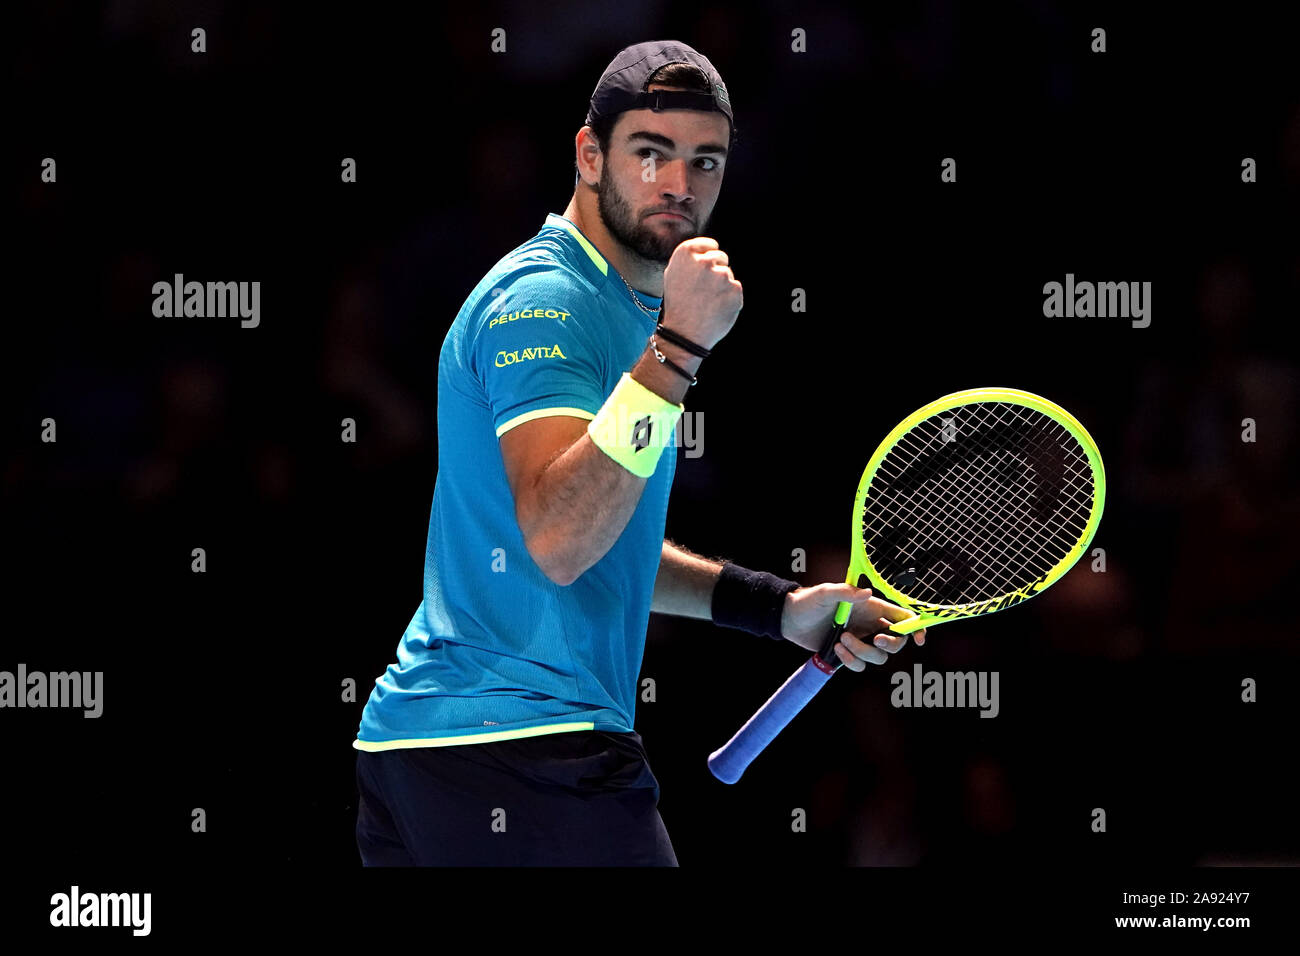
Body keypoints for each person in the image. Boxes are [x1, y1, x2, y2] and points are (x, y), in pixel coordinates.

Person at [353, 39, 925, 866]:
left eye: (706, 162)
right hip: (519, 751)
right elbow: (559, 539)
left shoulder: (619, 306)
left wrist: (776, 609)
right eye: (650, 153)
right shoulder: (546, 302)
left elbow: (600, 541)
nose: (679, 186)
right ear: (589, 156)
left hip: (436, 757)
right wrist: (681, 348)